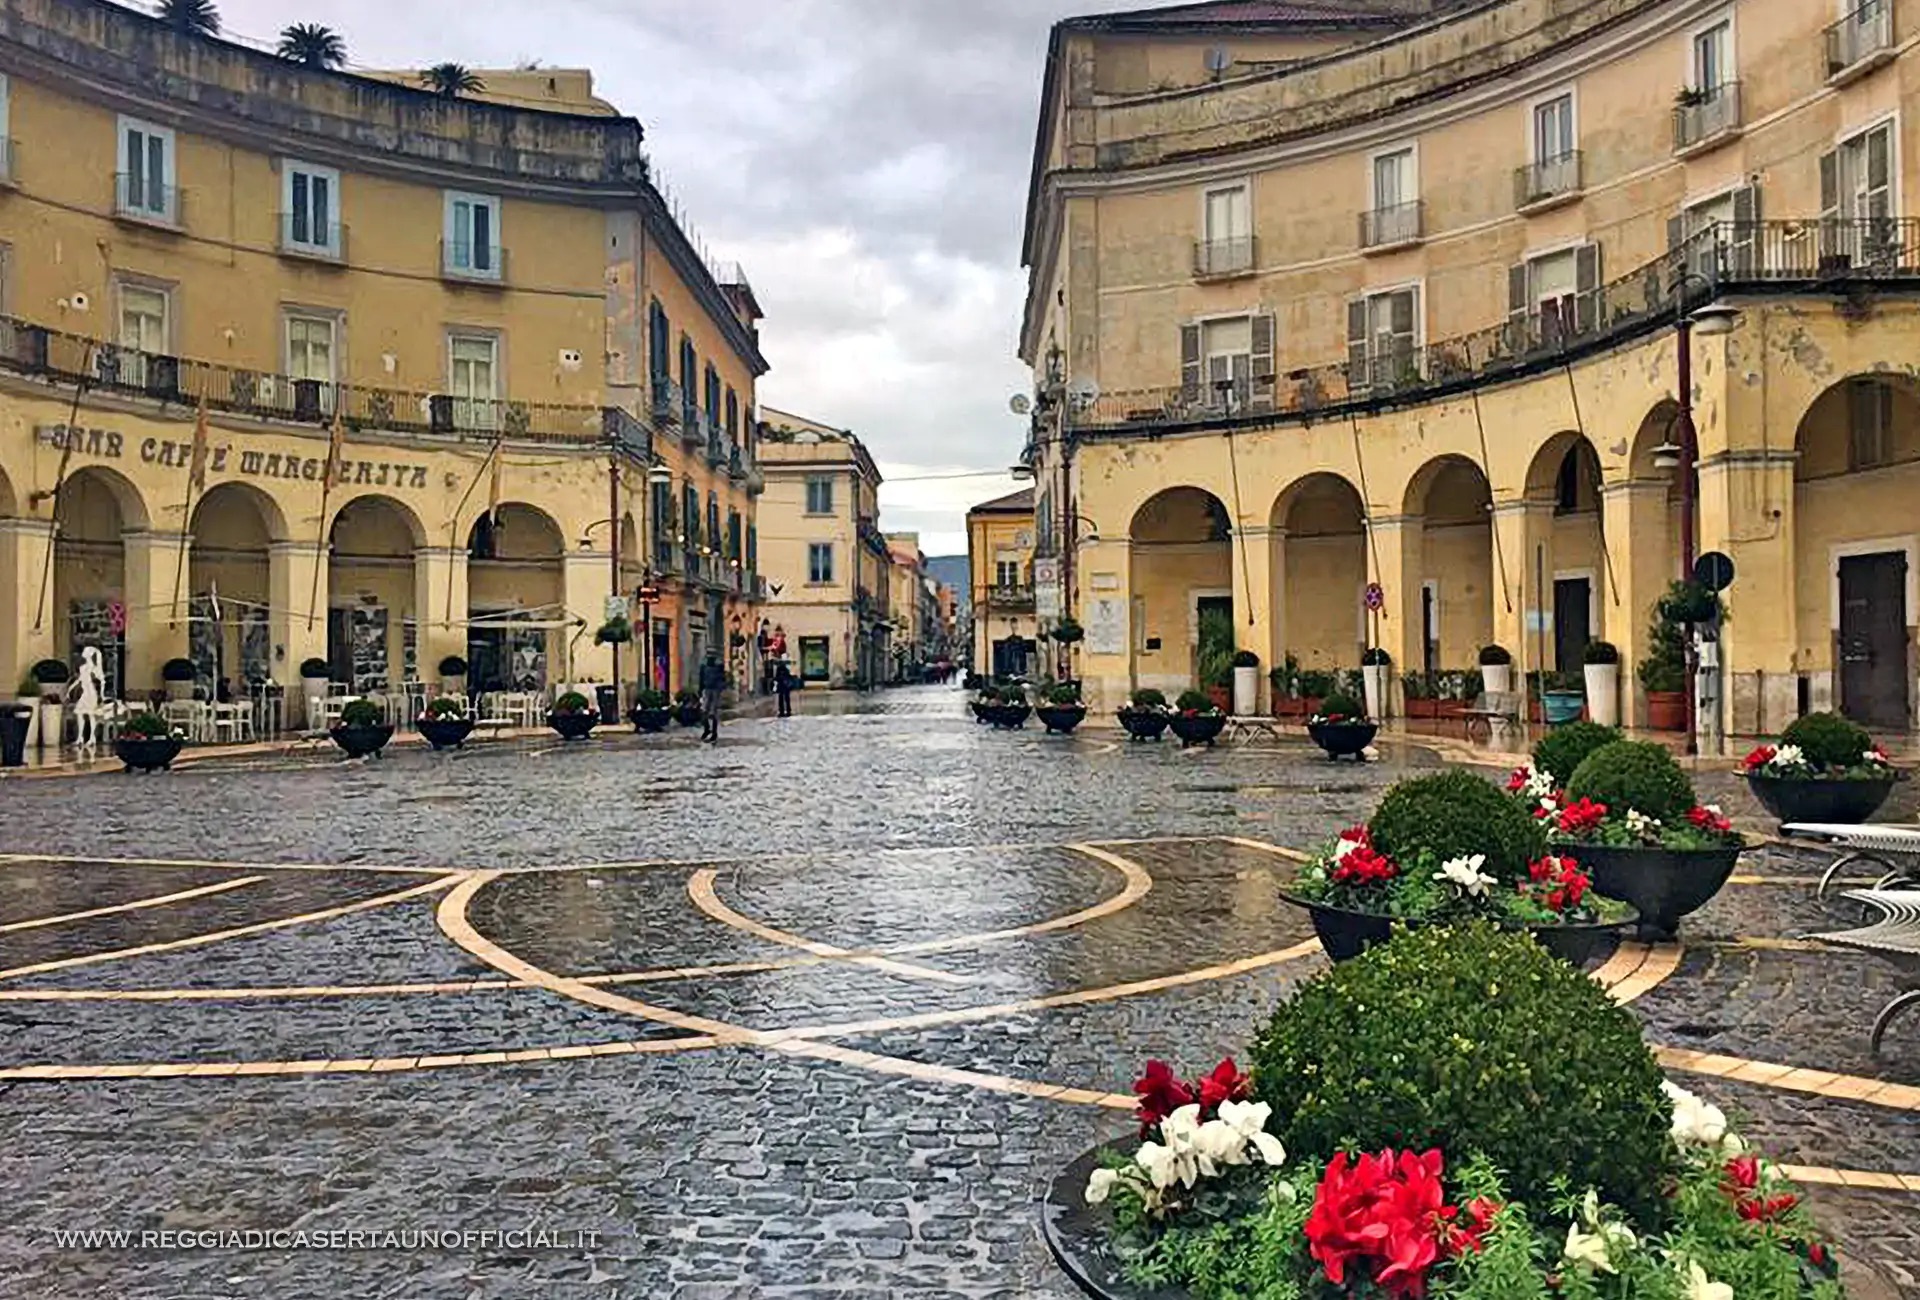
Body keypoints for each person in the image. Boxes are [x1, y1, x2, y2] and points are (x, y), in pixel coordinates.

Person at [698, 647, 727, 742]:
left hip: (715, 690)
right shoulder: (704, 665)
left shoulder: (719, 665)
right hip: (707, 689)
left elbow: (722, 678)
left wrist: (721, 688)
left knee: (713, 713)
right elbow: (701, 678)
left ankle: (714, 733)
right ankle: (707, 729)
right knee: (704, 711)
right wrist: (700, 689)